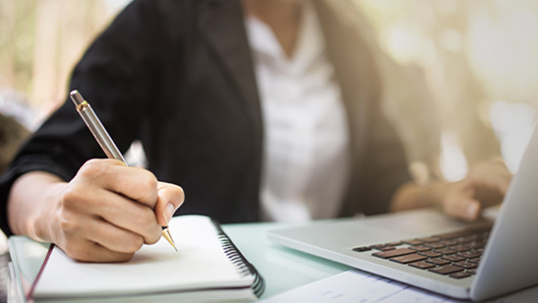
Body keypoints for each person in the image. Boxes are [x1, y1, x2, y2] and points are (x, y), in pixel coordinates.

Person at [0, 0, 511, 263]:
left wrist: (443, 194)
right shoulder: (163, 18)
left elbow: (383, 182)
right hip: (207, 282)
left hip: (329, 283)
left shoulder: (350, 37)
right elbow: (35, 167)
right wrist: (52, 212)